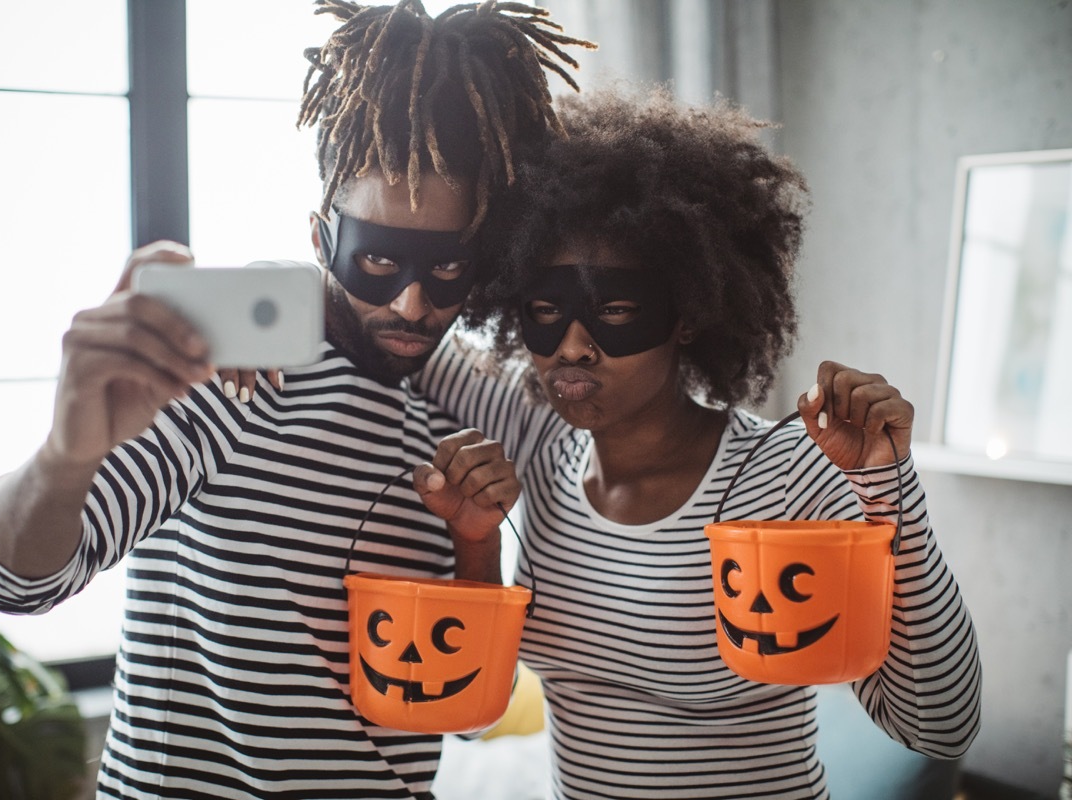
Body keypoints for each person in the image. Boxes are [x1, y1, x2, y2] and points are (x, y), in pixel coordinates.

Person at [0, 2, 592, 797]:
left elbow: (467, 710)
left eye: (443, 271)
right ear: (321, 235)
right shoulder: (236, 370)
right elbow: (13, 583)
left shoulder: (470, 410)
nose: (408, 306)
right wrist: (66, 455)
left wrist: (476, 546)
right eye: (377, 262)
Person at [409, 86, 983, 798]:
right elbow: (395, 323)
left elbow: (938, 725)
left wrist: (891, 495)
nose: (573, 347)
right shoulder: (535, 441)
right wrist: (266, 303)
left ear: (687, 314)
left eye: (615, 309)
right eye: (547, 312)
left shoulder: (781, 475)